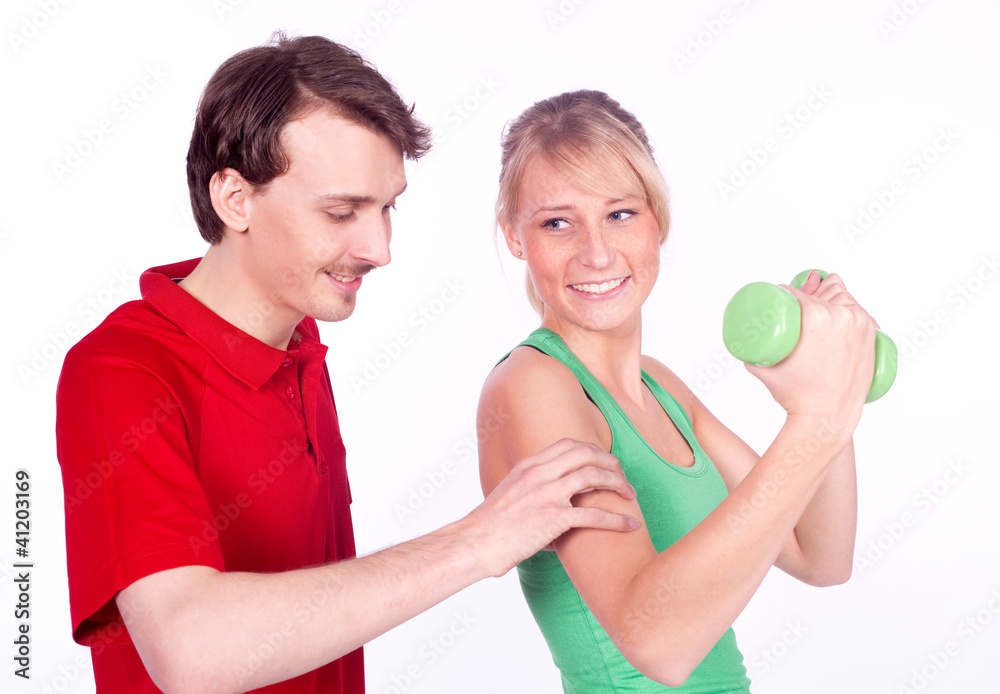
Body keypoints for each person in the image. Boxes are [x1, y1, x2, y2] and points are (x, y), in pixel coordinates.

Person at [54, 36, 642, 694]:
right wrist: (480, 540)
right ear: (235, 199)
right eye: (342, 212)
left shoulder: (298, 342)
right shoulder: (119, 372)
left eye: (387, 207)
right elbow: (190, 651)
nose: (380, 248)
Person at [478, 90, 877, 692]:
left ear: (657, 220)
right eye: (557, 222)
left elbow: (819, 555)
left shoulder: (659, 385)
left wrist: (834, 385)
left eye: (620, 214)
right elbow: (658, 645)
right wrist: (818, 419)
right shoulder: (533, 385)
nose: (596, 254)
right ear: (514, 235)